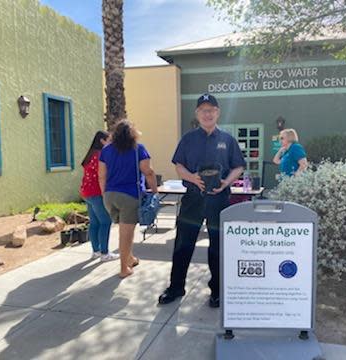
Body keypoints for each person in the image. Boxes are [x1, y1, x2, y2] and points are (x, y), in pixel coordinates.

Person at [158, 93, 245, 308]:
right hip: (193, 199)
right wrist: (192, 178)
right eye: (203, 110)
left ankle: (217, 291)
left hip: (219, 200)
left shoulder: (228, 140)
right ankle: (176, 287)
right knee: (183, 244)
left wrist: (226, 183)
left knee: (218, 246)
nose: (208, 113)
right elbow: (179, 165)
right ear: (197, 113)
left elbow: (239, 166)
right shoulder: (188, 139)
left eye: (211, 109)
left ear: (218, 112)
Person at [99, 120, 159, 278]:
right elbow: (148, 172)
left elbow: (101, 176)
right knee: (126, 234)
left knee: (123, 229)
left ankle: (130, 258)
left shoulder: (106, 150)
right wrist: (154, 191)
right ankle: (123, 268)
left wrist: (104, 193)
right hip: (129, 195)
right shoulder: (139, 149)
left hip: (109, 195)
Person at [80, 131, 118, 262]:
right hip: (97, 192)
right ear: (102, 141)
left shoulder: (91, 154)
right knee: (105, 222)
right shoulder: (100, 155)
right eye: (110, 140)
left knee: (94, 222)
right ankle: (104, 253)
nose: (112, 143)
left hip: (87, 192)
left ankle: (96, 251)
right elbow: (103, 175)